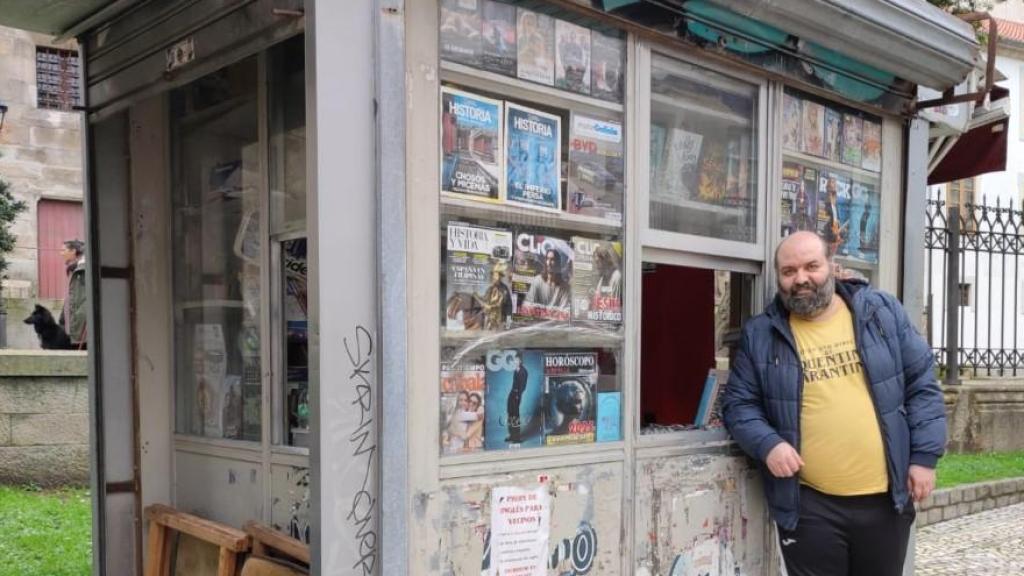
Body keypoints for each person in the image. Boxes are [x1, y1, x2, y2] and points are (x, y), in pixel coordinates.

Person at [722, 231, 945, 576]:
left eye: (812, 266)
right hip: (810, 504)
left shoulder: (880, 312)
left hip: (886, 501)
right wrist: (768, 444)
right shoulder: (762, 333)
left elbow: (922, 386)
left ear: (832, 266)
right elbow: (739, 404)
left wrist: (924, 458)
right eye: (789, 271)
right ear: (779, 278)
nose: (801, 279)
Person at [59, 239, 87, 349]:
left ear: (73, 251)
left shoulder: (83, 270)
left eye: (63, 250)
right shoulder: (74, 269)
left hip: (81, 326)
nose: (61, 253)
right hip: (72, 324)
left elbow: (83, 300)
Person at [506, 350, 528, 443]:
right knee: (510, 414)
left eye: (516, 359)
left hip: (516, 395)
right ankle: (512, 435)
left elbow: (523, 386)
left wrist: (517, 396)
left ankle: (517, 438)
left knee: (515, 416)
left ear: (520, 360)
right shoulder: (516, 370)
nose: (515, 361)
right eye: (514, 359)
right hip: (512, 394)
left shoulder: (523, 371)